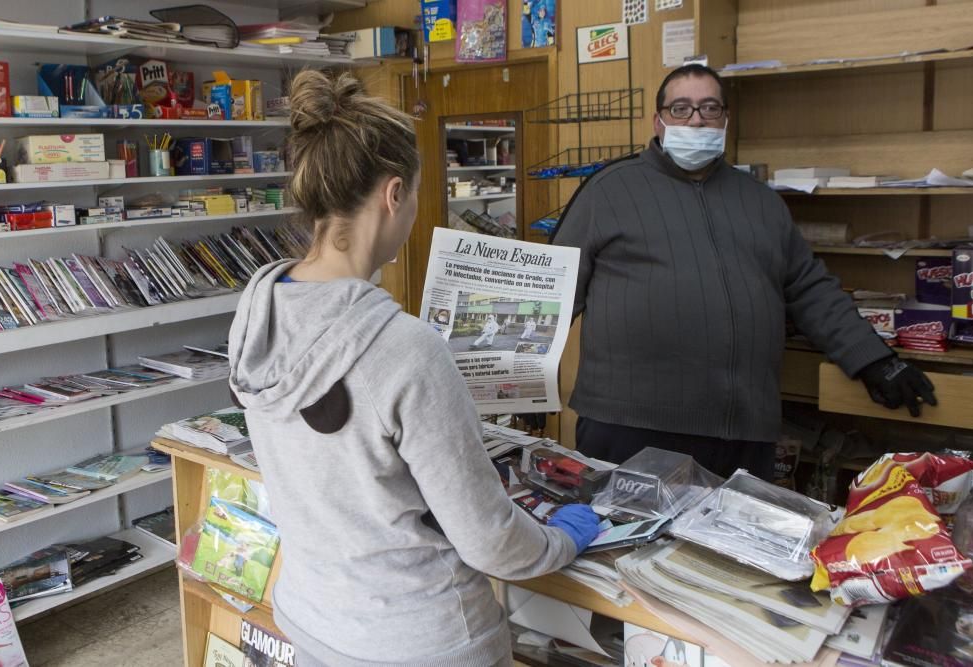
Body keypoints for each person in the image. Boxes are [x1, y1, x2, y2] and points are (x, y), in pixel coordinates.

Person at [228, 70, 599, 667]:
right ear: (393, 194)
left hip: (313, 617)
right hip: (422, 640)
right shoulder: (406, 349)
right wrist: (561, 540)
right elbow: (491, 543)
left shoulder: (259, 310)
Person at [551, 63, 937, 477]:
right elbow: (551, 294)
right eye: (680, 108)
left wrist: (873, 360)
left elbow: (810, 289)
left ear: (725, 120)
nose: (696, 118)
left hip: (741, 433)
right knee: (624, 542)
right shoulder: (608, 190)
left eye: (709, 107)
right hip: (629, 426)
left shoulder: (760, 202)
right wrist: (520, 386)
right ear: (658, 121)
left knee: (724, 544)